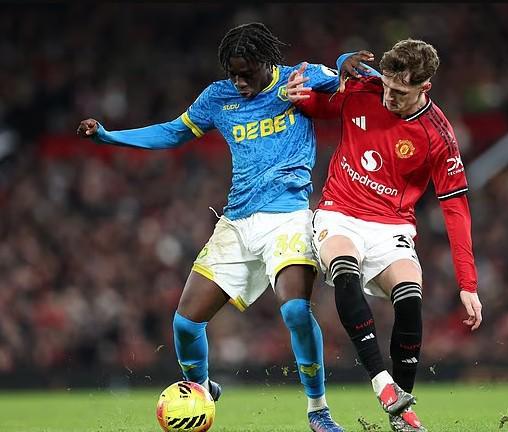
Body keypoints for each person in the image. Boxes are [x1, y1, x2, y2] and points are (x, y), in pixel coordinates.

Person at [76, 22, 363, 432]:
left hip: (287, 218)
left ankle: (318, 410)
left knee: (296, 310)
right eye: (233, 74)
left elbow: (359, 81)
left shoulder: (300, 78)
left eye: (247, 73)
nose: (239, 82)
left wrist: (344, 60)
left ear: (267, 62)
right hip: (237, 221)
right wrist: (108, 136)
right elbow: (172, 132)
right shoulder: (218, 97)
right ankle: (200, 390)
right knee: (185, 324)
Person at [286, 39, 483, 432]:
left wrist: (468, 284)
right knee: (344, 270)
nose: (389, 96)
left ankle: (401, 411)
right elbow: (318, 104)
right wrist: (297, 95)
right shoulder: (364, 88)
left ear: (424, 87)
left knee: (410, 300)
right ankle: (382, 382)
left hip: (392, 225)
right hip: (340, 213)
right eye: (388, 85)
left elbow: (456, 209)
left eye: (400, 92)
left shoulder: (438, 135)